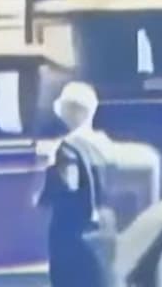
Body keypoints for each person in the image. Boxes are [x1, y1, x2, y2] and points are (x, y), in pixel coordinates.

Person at [38, 83, 110, 287]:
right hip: (103, 230)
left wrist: (51, 169)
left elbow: (67, 186)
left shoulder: (68, 148)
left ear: (73, 111)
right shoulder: (103, 143)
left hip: (72, 233)